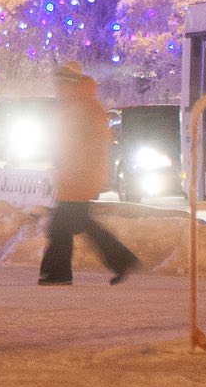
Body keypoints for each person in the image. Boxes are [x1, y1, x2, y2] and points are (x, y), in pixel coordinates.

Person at [39, 62, 138, 287]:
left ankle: (58, 272)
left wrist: (75, 165)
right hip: (73, 174)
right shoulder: (74, 105)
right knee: (74, 223)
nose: (57, 86)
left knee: (64, 225)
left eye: (61, 82)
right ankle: (61, 271)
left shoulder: (84, 106)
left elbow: (93, 143)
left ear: (69, 83)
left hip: (79, 175)